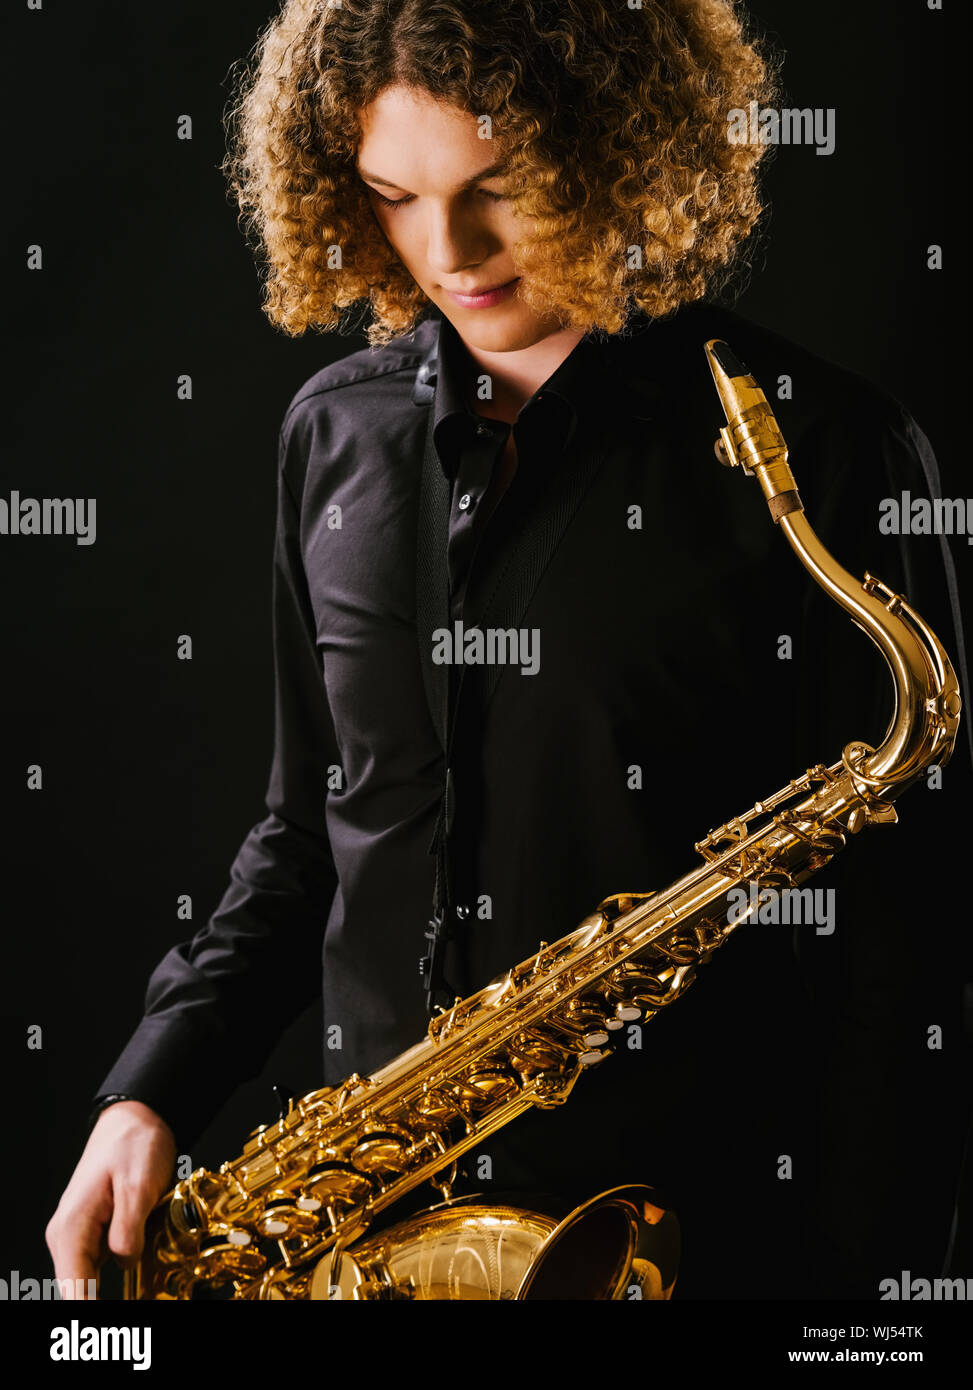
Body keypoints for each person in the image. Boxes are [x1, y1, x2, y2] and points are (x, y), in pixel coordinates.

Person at [46, 0, 971, 1300]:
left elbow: (910, 959)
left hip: (685, 1249)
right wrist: (146, 1097)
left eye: (499, 190)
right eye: (392, 194)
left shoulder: (822, 452)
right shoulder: (333, 436)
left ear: (613, 149)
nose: (448, 251)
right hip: (364, 1248)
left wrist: (860, 1313)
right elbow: (308, 831)